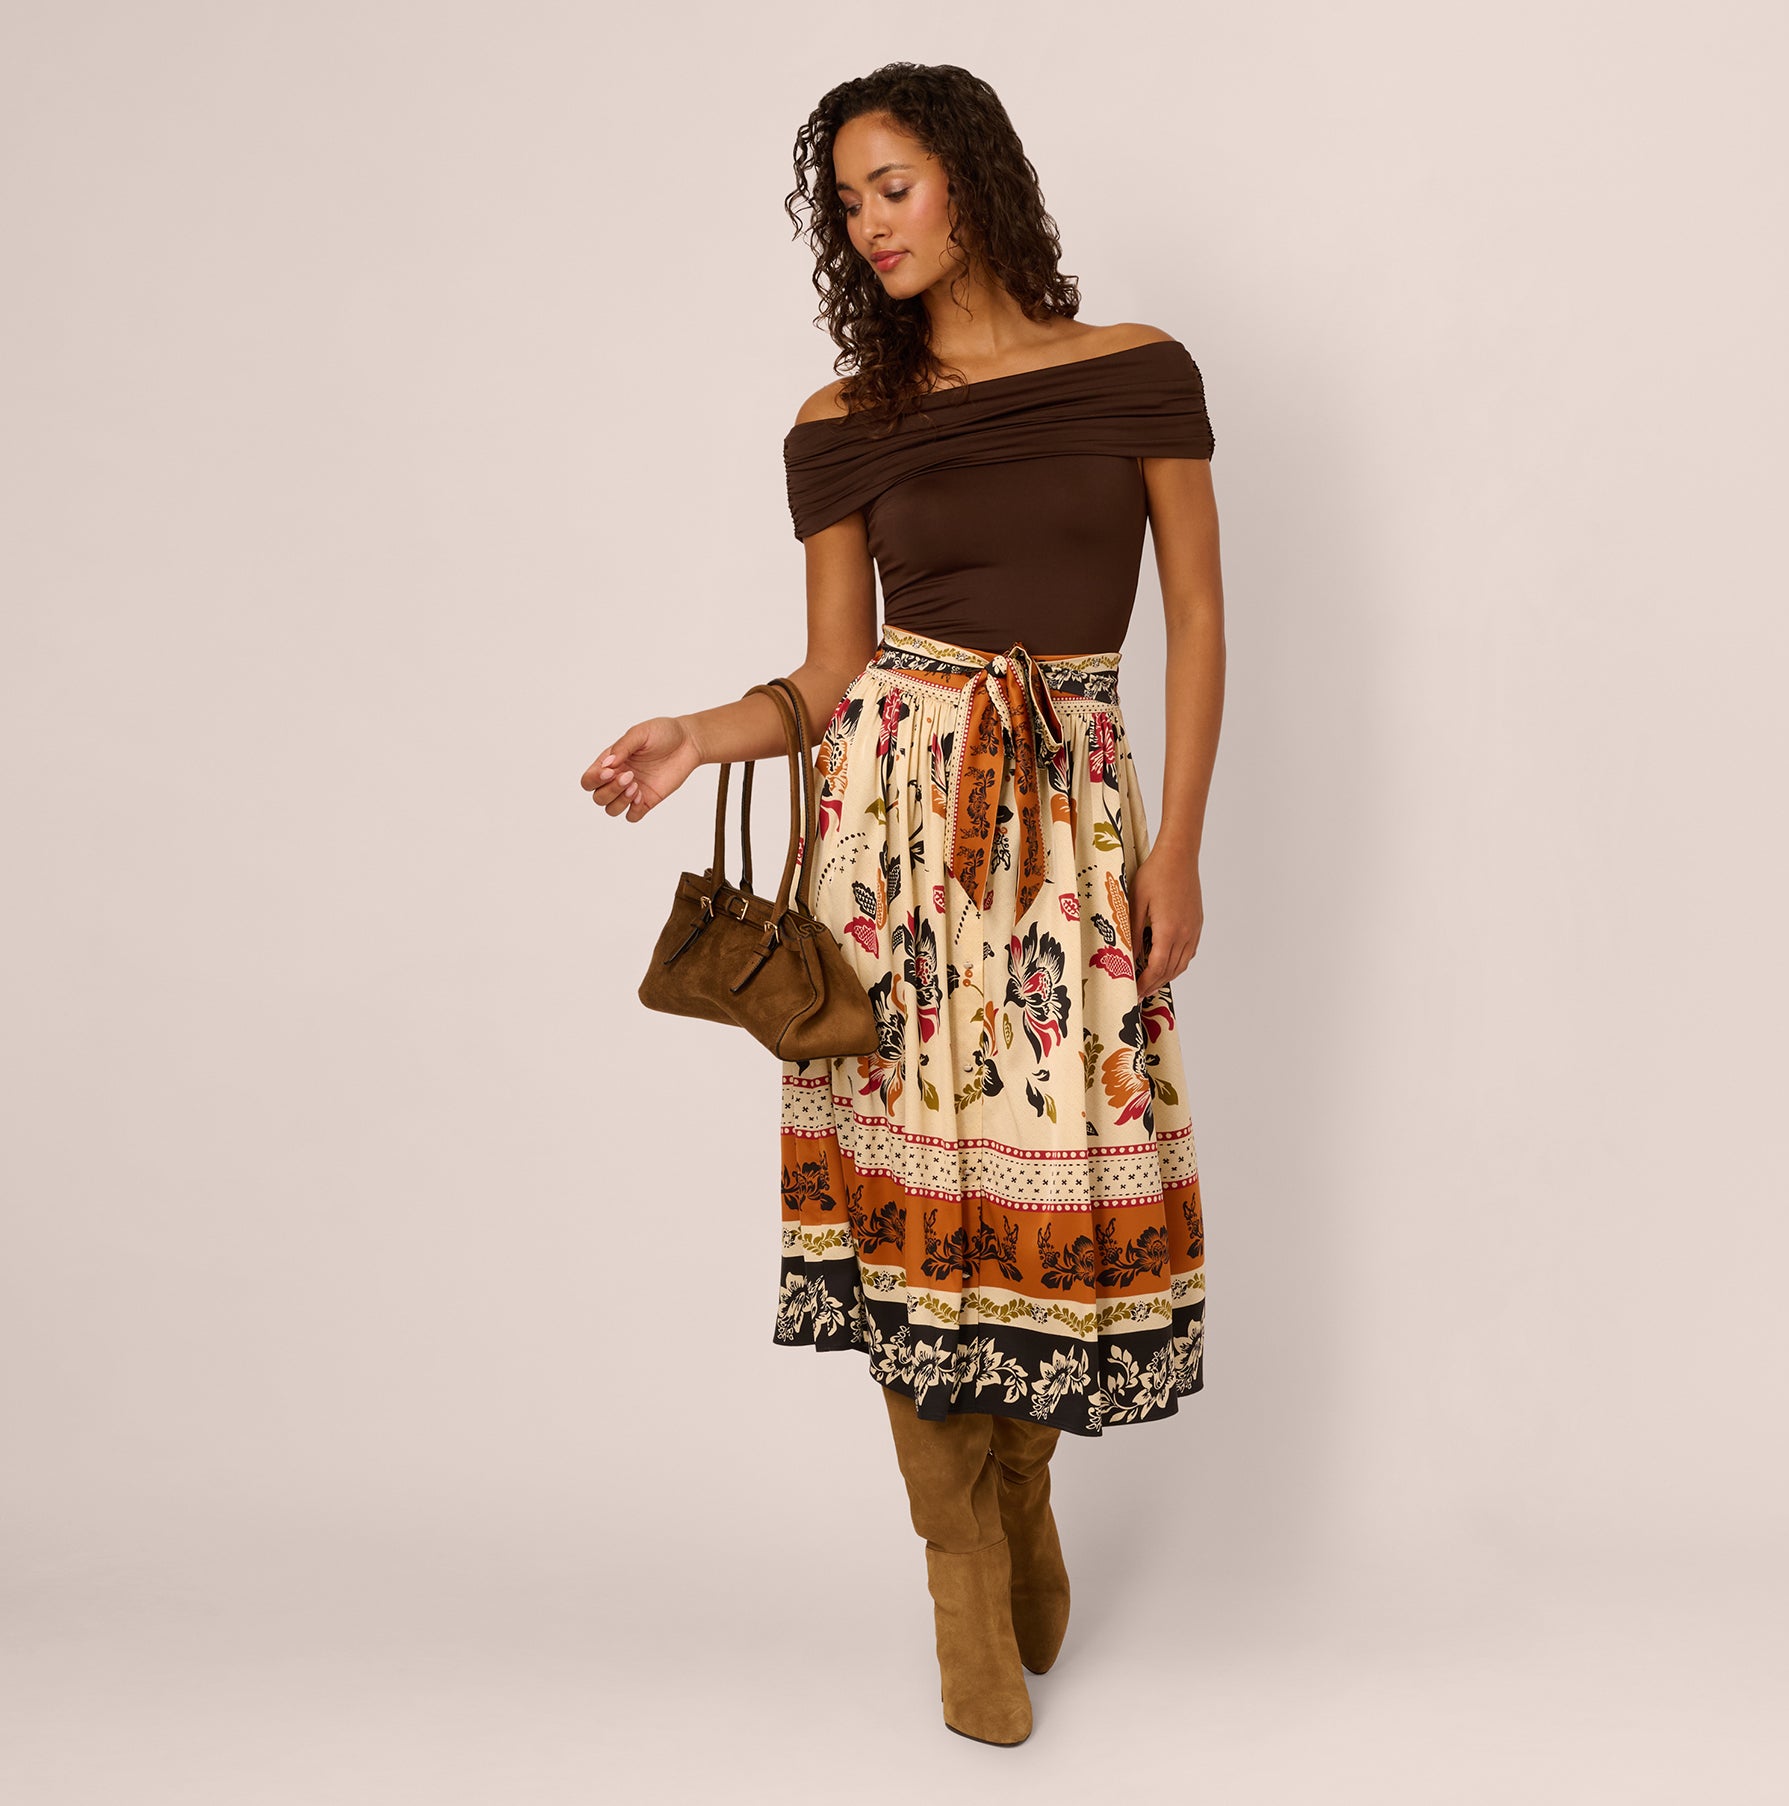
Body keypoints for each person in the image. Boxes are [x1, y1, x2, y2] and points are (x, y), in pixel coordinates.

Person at [579, 62, 1225, 1746]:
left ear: (973, 180)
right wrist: (697, 733)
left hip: (1069, 834)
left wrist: (1174, 849)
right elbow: (832, 670)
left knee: (1061, 1195)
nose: (869, 225)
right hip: (891, 843)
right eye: (846, 201)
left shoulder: (1137, 371)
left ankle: (1021, 1493)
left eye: (894, 186)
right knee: (914, 1210)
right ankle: (962, 1579)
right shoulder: (841, 420)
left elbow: (1198, 621)